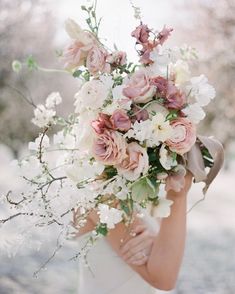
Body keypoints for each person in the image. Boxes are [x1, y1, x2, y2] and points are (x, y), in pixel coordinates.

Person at [75, 172, 193, 293]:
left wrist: (158, 244)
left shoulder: (143, 185)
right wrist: (178, 194)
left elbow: (165, 249)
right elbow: (164, 278)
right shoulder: (100, 191)